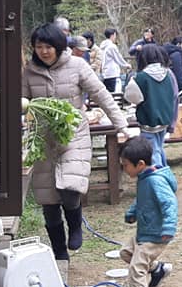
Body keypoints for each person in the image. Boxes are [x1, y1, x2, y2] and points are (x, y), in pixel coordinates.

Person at [22, 23, 128, 261]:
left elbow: (101, 94)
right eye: (39, 47)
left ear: (59, 46)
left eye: (48, 46)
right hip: (43, 139)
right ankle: (59, 251)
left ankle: (76, 225)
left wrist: (121, 124)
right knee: (48, 200)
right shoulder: (30, 71)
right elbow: (21, 100)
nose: (44, 51)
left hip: (73, 136)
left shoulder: (77, 65)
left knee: (70, 187)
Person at [118, 135, 177, 287]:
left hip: (156, 235)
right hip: (144, 231)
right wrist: (132, 212)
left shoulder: (155, 181)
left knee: (136, 270)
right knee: (126, 253)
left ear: (140, 164)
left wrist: (168, 227)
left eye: (125, 165)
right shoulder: (144, 178)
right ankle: (157, 269)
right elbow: (142, 199)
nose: (124, 169)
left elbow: (169, 203)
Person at [124, 44, 179, 168]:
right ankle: (165, 171)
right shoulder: (168, 74)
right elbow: (174, 95)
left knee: (152, 151)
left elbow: (131, 97)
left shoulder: (141, 77)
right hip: (164, 119)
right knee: (159, 147)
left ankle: (158, 173)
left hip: (148, 120)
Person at [100, 28, 131, 93]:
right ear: (112, 35)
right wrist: (126, 65)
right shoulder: (111, 47)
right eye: (115, 35)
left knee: (108, 93)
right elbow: (118, 58)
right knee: (115, 93)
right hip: (112, 73)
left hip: (105, 73)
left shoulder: (103, 46)